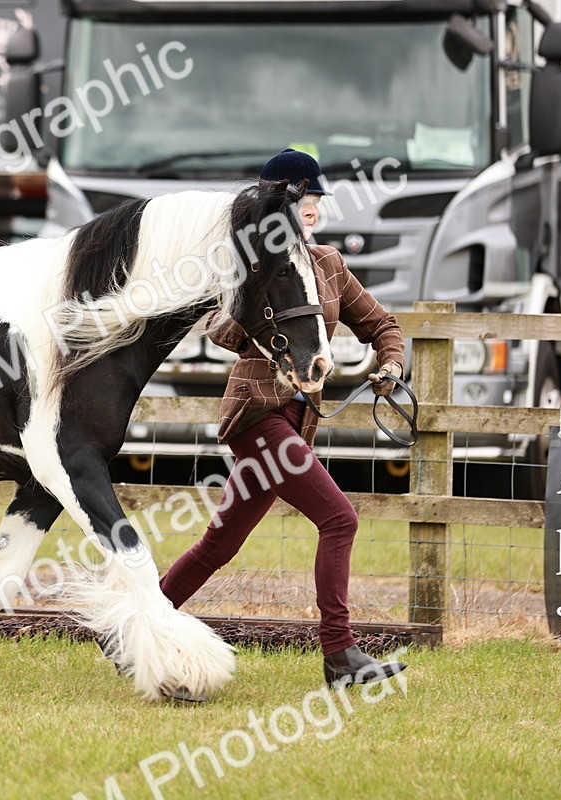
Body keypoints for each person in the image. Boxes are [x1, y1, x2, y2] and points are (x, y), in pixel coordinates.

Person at [159, 149, 408, 687]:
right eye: (304, 197)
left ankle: (135, 625)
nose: (314, 206)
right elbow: (220, 331)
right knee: (340, 518)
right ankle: (340, 653)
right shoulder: (247, 265)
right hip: (258, 414)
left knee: (218, 546)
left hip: (299, 422)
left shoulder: (330, 266)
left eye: (316, 196)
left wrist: (389, 365)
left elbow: (382, 324)